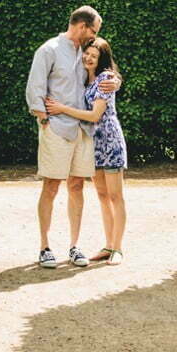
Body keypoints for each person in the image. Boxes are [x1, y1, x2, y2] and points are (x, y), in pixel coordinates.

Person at [25, 6, 121, 269]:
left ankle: (74, 246)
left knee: (77, 186)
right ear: (81, 26)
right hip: (57, 129)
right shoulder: (49, 50)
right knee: (51, 186)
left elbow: (104, 70)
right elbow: (34, 89)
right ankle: (45, 247)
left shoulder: (86, 51)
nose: (94, 36)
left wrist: (116, 81)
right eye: (93, 31)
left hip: (84, 131)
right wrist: (45, 121)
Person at [45, 37, 127, 265]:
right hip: (92, 143)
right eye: (87, 53)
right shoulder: (84, 77)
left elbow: (94, 115)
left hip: (109, 141)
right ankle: (108, 245)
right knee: (102, 196)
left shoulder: (105, 78)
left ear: (102, 59)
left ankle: (118, 248)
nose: (89, 58)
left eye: (94, 56)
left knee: (115, 196)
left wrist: (61, 108)